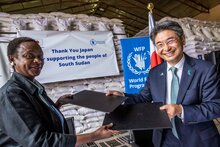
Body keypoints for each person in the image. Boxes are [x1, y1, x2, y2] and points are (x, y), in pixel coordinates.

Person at [107, 20, 220, 147]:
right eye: (159, 44)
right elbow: (143, 97)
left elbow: (215, 106)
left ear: (182, 40)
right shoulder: (154, 73)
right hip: (165, 139)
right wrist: (121, 96)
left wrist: (181, 110)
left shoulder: (205, 70)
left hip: (198, 140)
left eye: (170, 41)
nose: (166, 48)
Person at [0, 37, 118, 147]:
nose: (38, 61)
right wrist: (95, 135)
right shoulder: (11, 94)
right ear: (12, 59)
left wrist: (57, 105)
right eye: (29, 56)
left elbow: (35, 117)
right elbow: (40, 142)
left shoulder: (33, 86)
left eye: (40, 57)